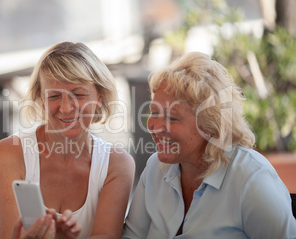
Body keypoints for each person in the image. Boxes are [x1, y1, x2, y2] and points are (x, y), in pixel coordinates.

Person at [122, 52, 296, 239]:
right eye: (154, 113)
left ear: (210, 125)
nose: (155, 127)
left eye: (172, 118)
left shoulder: (251, 179)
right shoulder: (155, 168)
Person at [0, 41, 135, 239]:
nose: (65, 108)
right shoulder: (9, 153)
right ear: (41, 100)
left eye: (78, 94)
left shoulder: (117, 164)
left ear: (99, 97)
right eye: (54, 96)